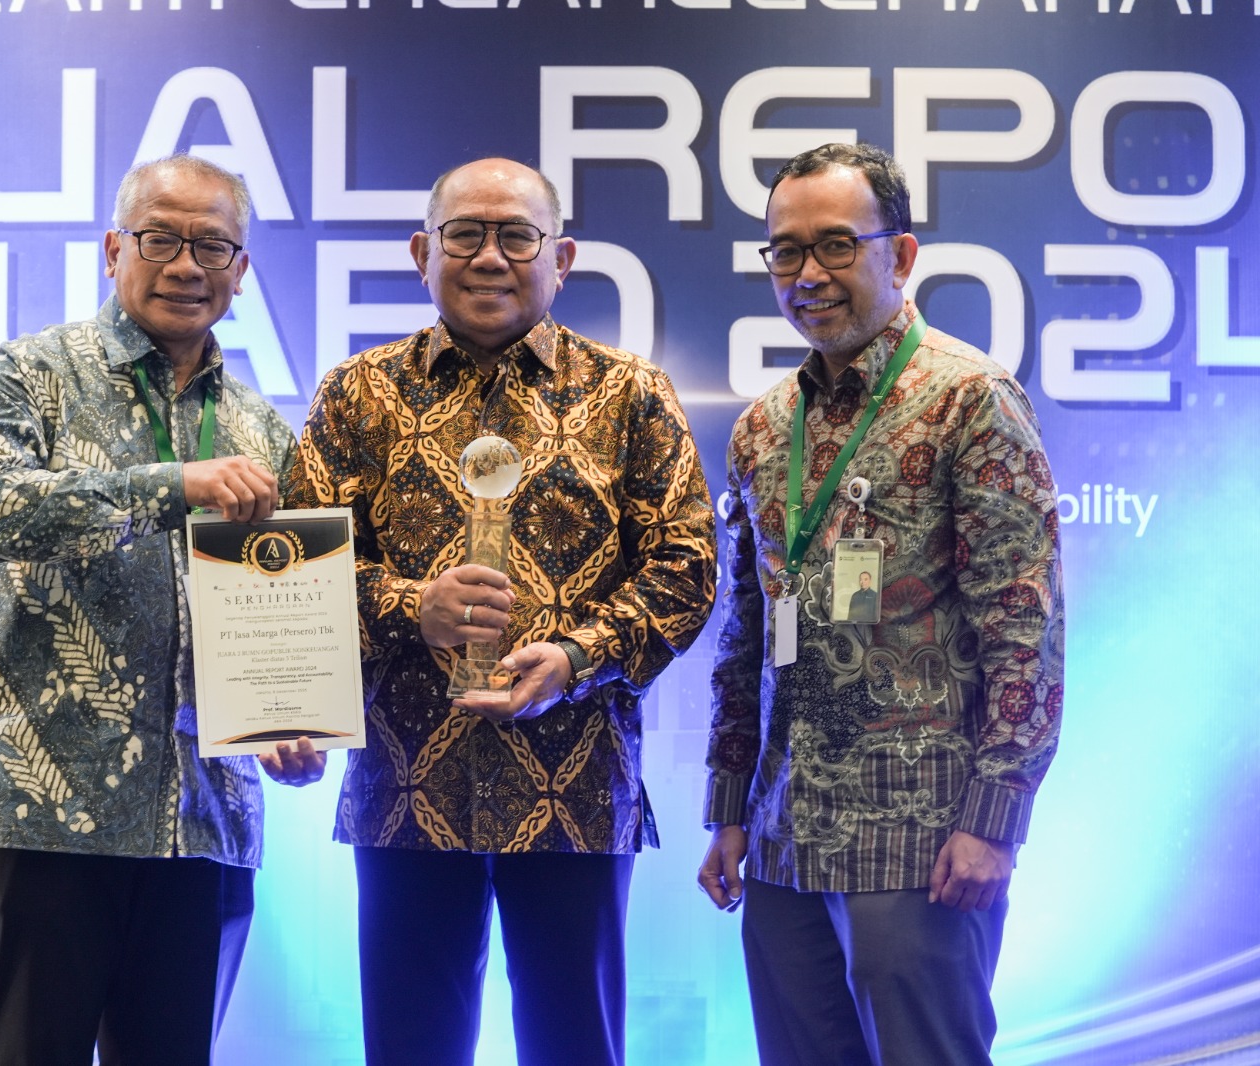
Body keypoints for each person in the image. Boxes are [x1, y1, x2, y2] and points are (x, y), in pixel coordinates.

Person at [289, 157, 717, 1066]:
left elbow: (687, 569)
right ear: (422, 253)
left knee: (575, 1047)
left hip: (577, 784)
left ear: (561, 258)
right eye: (465, 235)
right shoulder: (355, 393)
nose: (491, 257)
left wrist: (577, 657)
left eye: (518, 236)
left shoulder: (632, 394)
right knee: (408, 1050)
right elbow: (297, 569)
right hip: (406, 786)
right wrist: (413, 606)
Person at [0, 153, 326, 1066]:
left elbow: (287, 600)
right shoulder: (27, 375)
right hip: (49, 808)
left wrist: (288, 717)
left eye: (211, 246)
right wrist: (171, 485)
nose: (186, 265)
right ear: (115, 249)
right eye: (160, 239)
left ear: (240, 270)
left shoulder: (264, 428)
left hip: (207, 820)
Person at [697, 142, 1063, 1065]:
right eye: (786, 250)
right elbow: (746, 632)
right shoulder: (762, 426)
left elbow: (1025, 630)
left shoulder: (970, 400)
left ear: (899, 257)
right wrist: (729, 805)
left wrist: (994, 822)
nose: (807, 274)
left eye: (835, 245)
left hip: (922, 840)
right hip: (783, 836)